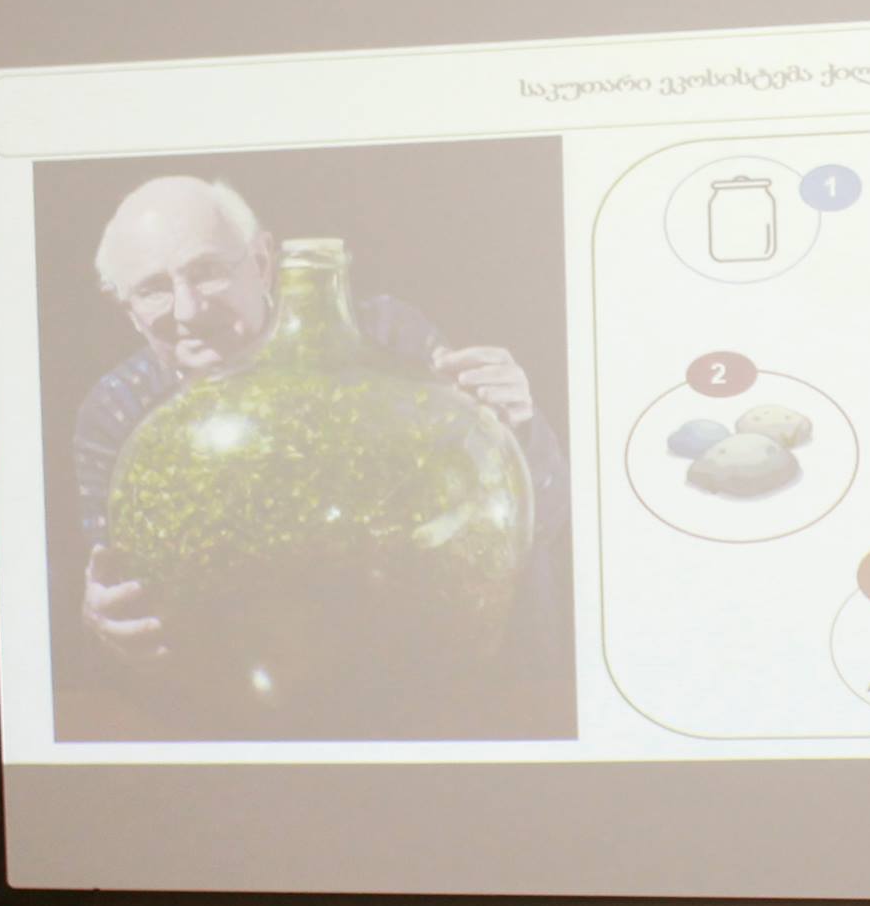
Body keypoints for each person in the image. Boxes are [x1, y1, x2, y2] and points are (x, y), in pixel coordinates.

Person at [73, 174, 568, 661]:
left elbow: (543, 520)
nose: (188, 309)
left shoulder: (388, 340)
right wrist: (102, 615)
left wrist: (517, 429)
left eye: (206, 271)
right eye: (152, 289)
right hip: (238, 674)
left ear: (263, 262)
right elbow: (120, 586)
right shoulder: (121, 408)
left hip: (406, 658)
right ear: (129, 310)